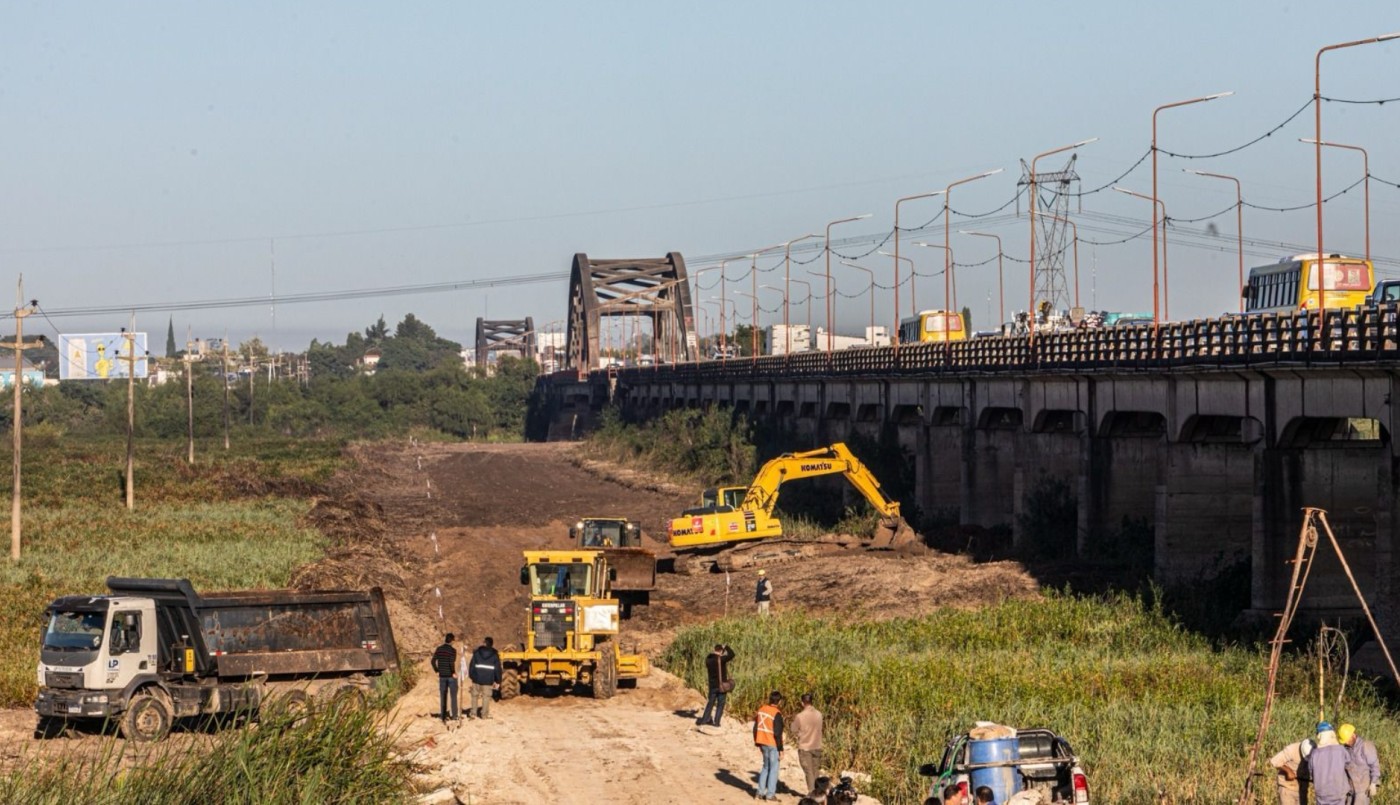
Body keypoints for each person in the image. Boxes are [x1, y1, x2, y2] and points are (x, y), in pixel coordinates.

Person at [789, 692, 825, 797]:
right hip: (817, 746)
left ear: (802, 703)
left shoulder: (800, 716)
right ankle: (819, 793)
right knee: (815, 771)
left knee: (808, 772)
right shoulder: (819, 714)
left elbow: (793, 729)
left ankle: (812, 794)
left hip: (805, 747)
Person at [1309, 722, 1352, 805]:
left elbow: (1311, 773)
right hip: (1339, 792)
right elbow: (1348, 764)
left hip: (1322, 794)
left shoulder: (1314, 754)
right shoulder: (1341, 750)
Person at [753, 690, 785, 801]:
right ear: (779, 701)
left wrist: (757, 742)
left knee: (765, 767)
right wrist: (781, 749)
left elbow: (755, 728)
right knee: (774, 769)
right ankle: (770, 795)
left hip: (762, 741)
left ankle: (759, 793)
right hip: (772, 744)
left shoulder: (761, 710)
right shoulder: (777, 714)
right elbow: (777, 734)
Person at [1339, 722, 1382, 805]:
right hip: (1350, 791)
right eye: (1344, 741)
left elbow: (1375, 765)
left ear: (1353, 735)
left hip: (1362, 792)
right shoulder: (1345, 749)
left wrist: (1373, 783)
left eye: (1347, 740)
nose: (1346, 743)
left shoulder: (1365, 746)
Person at [1268, 736, 1315, 805]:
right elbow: (1275, 761)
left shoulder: (1316, 752)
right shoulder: (1291, 749)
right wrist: (1288, 771)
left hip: (1302, 790)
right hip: (1287, 788)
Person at [696, 643, 734, 727]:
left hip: (712, 685)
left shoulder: (708, 659)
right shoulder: (721, 659)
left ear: (714, 649)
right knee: (720, 704)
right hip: (721, 686)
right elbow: (732, 654)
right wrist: (726, 647)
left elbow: (712, 656)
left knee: (710, 703)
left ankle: (705, 719)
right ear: (721, 651)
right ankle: (716, 722)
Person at [467, 636, 503, 719]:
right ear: (492, 644)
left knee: (474, 696)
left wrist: (472, 676)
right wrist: (498, 681)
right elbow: (498, 669)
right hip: (488, 680)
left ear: (484, 643)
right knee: (486, 697)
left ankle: (473, 713)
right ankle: (484, 715)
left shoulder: (476, 653)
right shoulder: (495, 655)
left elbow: (471, 666)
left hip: (476, 679)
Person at [431, 633, 458, 723]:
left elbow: (433, 661)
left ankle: (443, 716)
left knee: (443, 696)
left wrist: (437, 670)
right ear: (452, 641)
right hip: (450, 676)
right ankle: (454, 716)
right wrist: (453, 672)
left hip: (442, 676)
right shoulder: (453, 650)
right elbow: (451, 662)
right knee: (453, 696)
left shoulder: (439, 649)